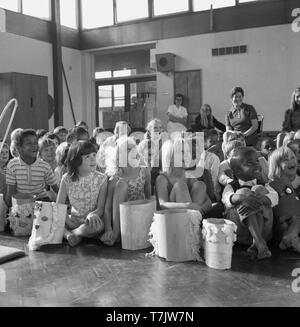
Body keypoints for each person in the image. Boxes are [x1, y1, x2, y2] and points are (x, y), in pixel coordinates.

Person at [222, 147, 278, 259]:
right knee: (243, 193)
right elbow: (227, 199)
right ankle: (259, 242)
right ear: (237, 171)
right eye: (250, 163)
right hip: (240, 233)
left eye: (257, 161)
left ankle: (257, 242)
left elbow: (275, 198)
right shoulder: (231, 186)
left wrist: (260, 199)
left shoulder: (264, 185)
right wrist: (241, 198)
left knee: (259, 189)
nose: (257, 165)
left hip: (264, 233)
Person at [100, 137, 151, 246]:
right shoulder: (115, 178)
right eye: (128, 149)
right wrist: (108, 229)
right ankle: (116, 232)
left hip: (139, 213)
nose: (132, 150)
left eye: (133, 148)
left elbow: (148, 195)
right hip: (122, 219)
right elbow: (108, 208)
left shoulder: (144, 169)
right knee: (122, 184)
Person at [56, 140, 107, 247]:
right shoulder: (67, 179)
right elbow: (59, 206)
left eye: (94, 155)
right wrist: (68, 222)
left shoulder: (102, 179)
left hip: (90, 222)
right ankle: (72, 233)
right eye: (87, 157)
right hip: (73, 220)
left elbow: (101, 207)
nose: (93, 159)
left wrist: (93, 214)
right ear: (76, 160)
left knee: (99, 226)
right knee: (56, 220)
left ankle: (74, 234)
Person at [155, 138, 212, 215]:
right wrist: (187, 205)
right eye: (182, 152)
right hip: (173, 217)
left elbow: (208, 201)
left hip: (194, 215)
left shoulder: (189, 176)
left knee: (200, 185)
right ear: (169, 157)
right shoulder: (162, 178)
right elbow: (162, 204)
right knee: (180, 186)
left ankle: (194, 218)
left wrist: (201, 209)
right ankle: (190, 218)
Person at [5, 129, 59, 207]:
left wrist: (65, 203)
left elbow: (57, 190)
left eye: (35, 143)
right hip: (20, 206)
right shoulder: (12, 165)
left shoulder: (44, 166)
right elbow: (10, 194)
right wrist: (11, 211)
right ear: (19, 148)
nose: (34, 146)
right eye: (29, 143)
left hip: (39, 205)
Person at [268, 147, 300, 252]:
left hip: (296, 224)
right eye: (286, 160)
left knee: (296, 220)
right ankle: (291, 238)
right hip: (282, 226)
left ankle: (292, 239)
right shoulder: (272, 185)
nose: (291, 161)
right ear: (277, 166)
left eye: (293, 158)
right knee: (291, 221)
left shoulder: (295, 184)